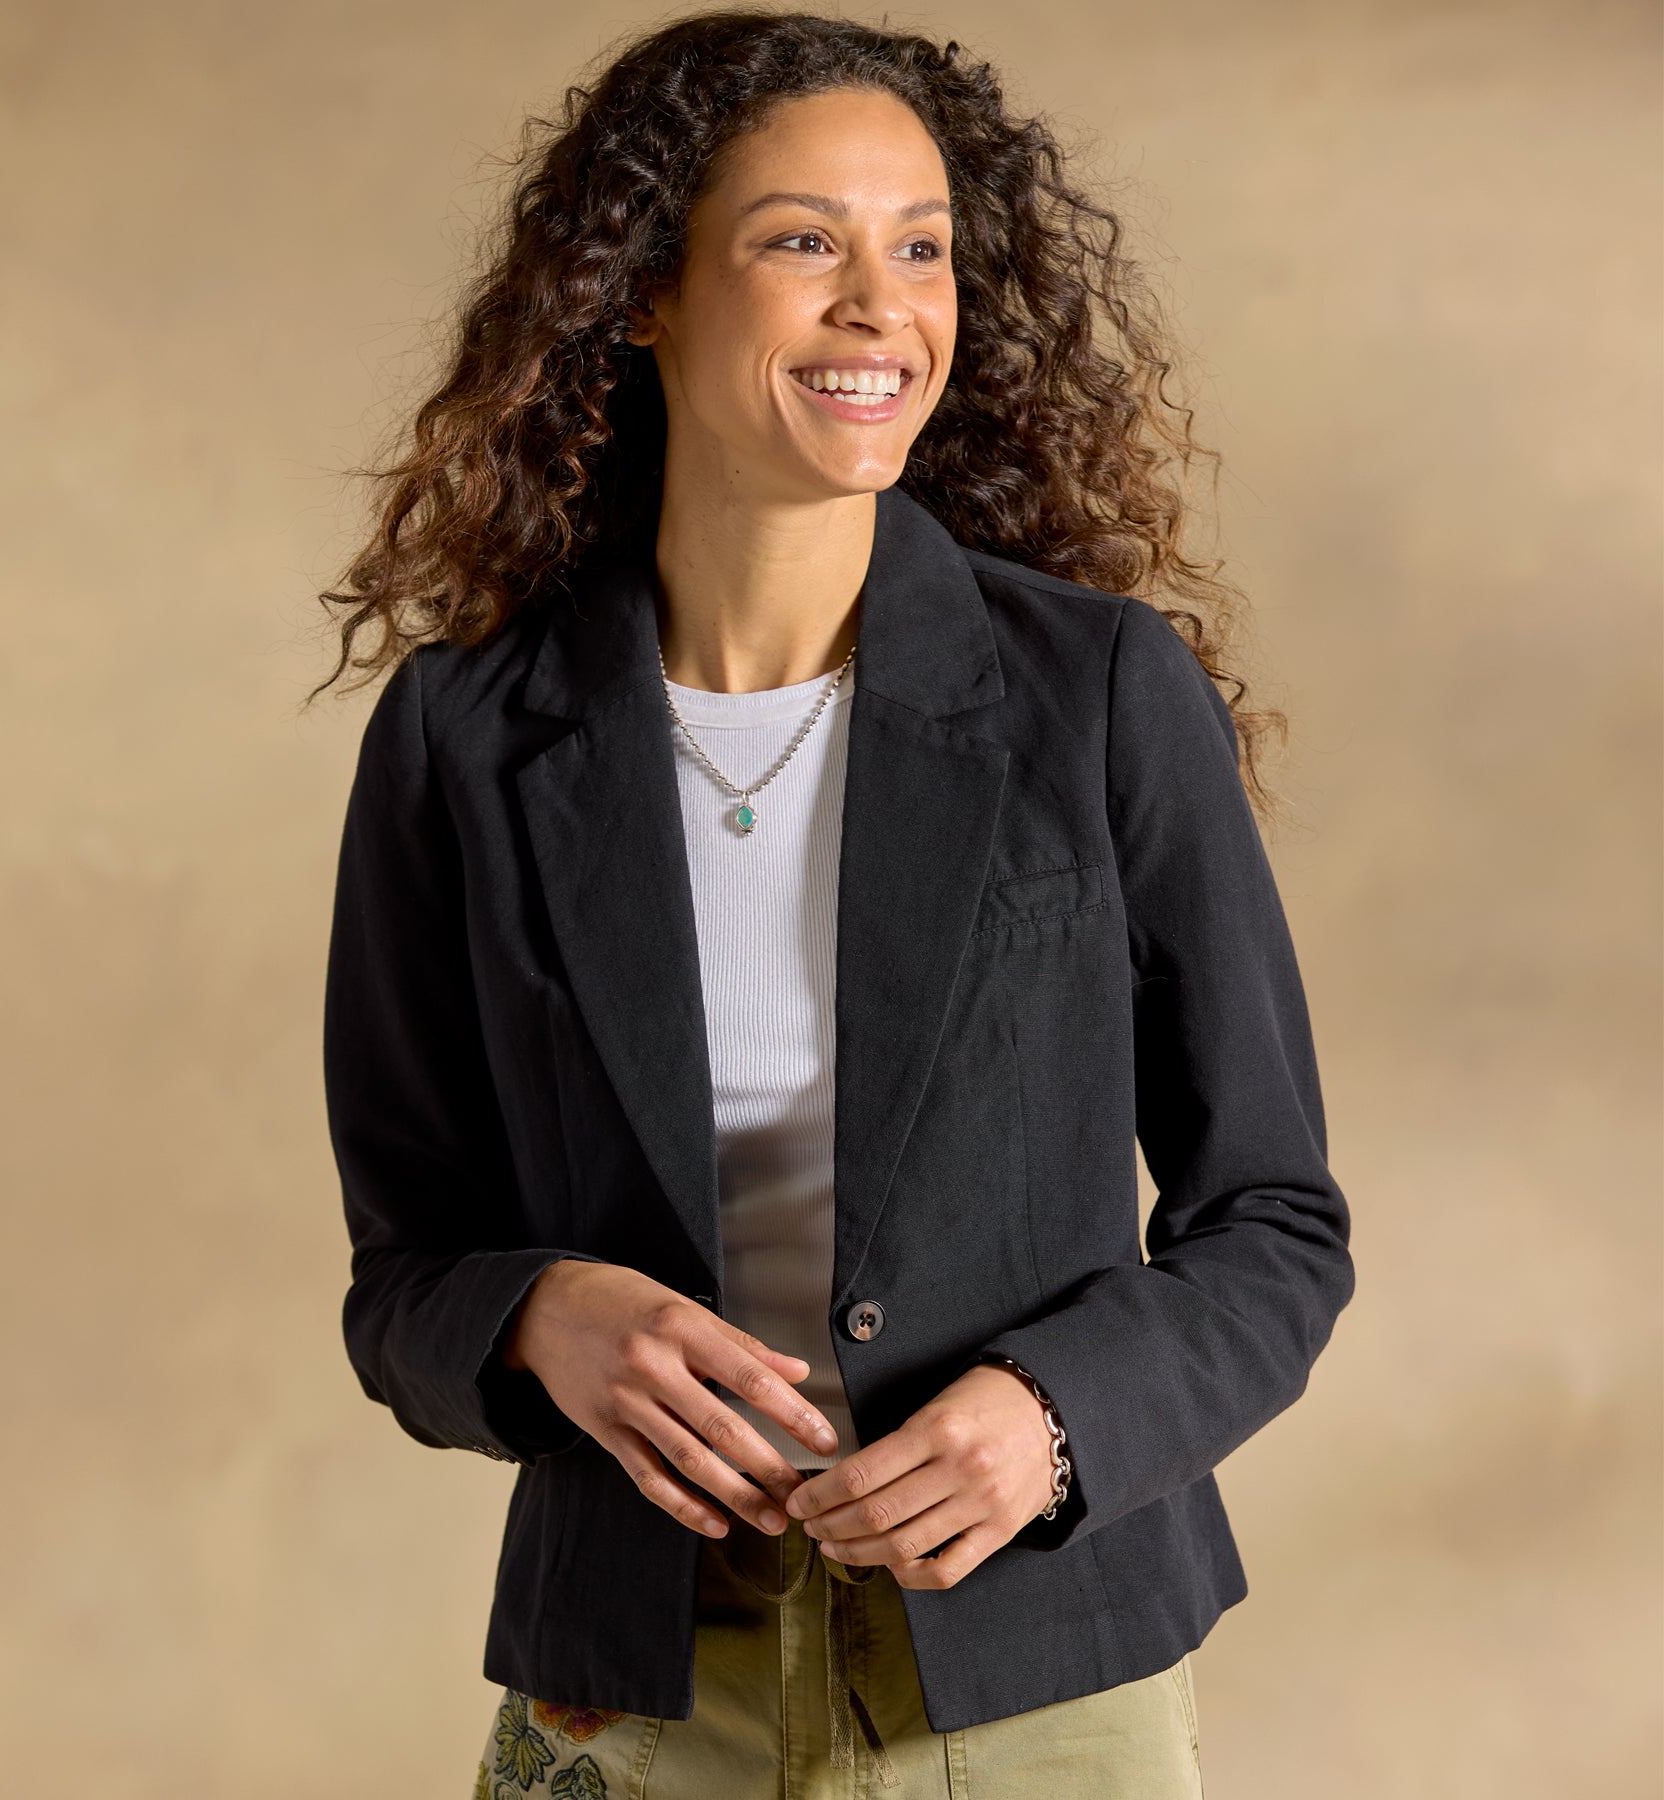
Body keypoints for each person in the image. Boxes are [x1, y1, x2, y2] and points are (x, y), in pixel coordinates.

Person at [316, 11, 1355, 1797]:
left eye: (922, 249)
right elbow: (403, 1276)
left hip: (1040, 1686)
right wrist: (542, 1313)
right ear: (644, 291)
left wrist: (1055, 1420)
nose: (883, 305)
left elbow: (1275, 1225)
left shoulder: (1101, 694)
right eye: (806, 241)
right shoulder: (464, 735)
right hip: (632, 1687)